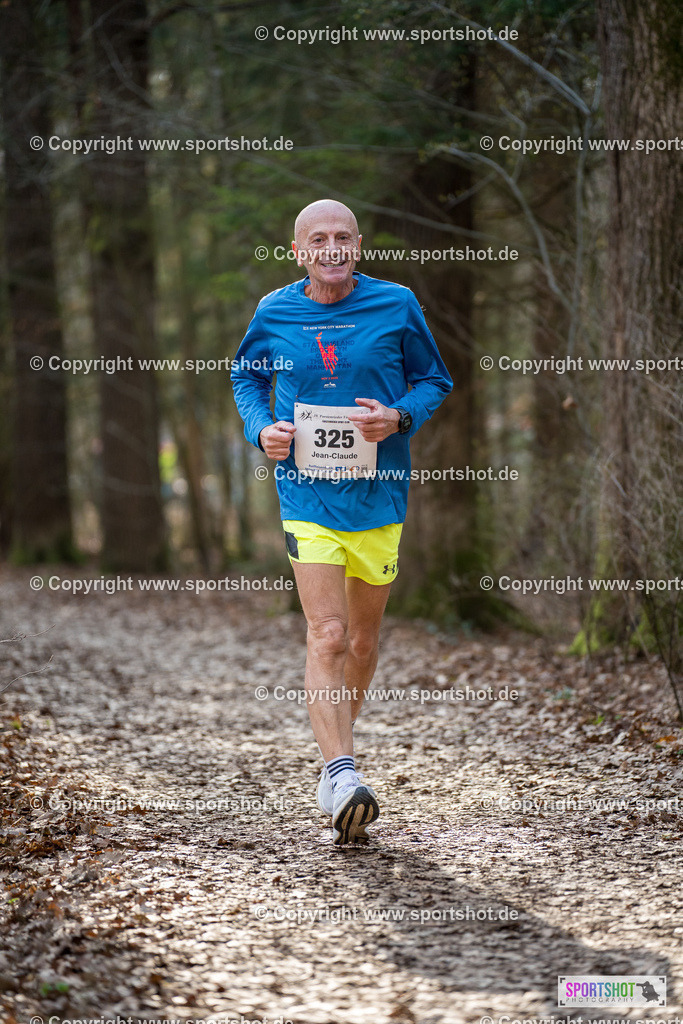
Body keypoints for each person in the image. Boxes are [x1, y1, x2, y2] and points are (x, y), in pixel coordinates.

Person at [231, 199, 452, 845]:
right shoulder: (274, 311)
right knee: (326, 634)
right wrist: (259, 429)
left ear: (357, 245)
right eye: (316, 239)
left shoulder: (396, 303)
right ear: (297, 251)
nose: (330, 248)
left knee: (360, 642)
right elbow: (246, 377)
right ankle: (341, 770)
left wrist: (399, 417)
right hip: (306, 496)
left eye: (341, 238)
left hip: (378, 496)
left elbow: (433, 379)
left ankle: (338, 766)